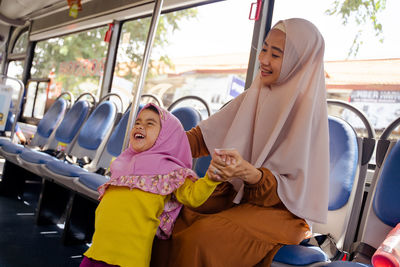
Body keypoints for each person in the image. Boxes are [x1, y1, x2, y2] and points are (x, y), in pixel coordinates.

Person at [151, 18, 330, 266]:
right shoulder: (254, 95)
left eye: (275, 54)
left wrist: (252, 174)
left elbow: (294, 194)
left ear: (298, 62)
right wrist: (152, 142)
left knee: (201, 238)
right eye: (264, 49)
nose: (264, 59)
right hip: (236, 196)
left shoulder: (307, 114)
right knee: (166, 217)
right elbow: (200, 138)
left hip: (281, 213)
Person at [80, 103, 221, 267]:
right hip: (96, 252)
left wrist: (211, 178)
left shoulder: (172, 171)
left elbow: (192, 196)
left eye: (149, 123)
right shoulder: (124, 163)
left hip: (128, 260)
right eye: (137, 123)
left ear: (166, 136)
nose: (140, 126)